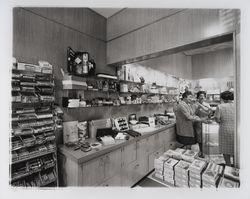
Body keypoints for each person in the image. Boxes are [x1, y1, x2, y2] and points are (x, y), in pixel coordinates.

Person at [214, 90, 235, 166]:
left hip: (224, 128)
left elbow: (217, 118)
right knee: (234, 147)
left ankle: (228, 164)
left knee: (225, 148)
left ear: (223, 98)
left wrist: (220, 122)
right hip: (236, 129)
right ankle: (235, 165)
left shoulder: (220, 106)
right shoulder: (238, 105)